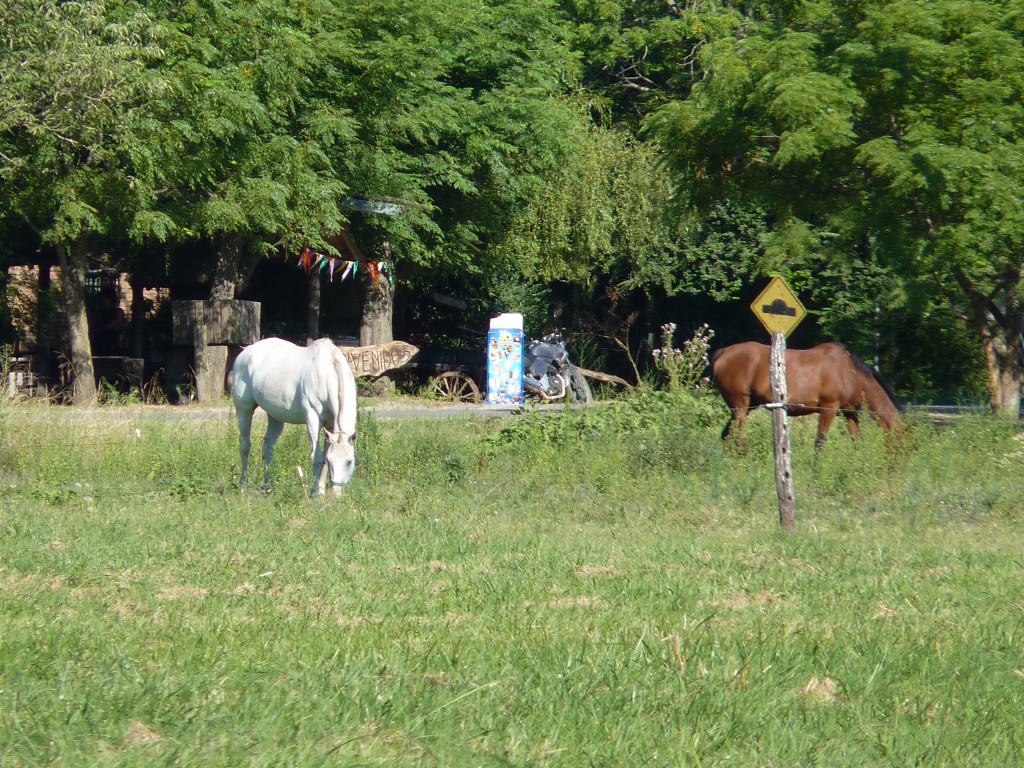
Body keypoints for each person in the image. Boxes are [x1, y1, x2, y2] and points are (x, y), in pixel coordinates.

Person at [89, 286, 125, 355]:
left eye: (103, 299)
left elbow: (112, 325)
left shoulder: (118, 312)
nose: (101, 302)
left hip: (111, 344)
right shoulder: (99, 313)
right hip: (97, 344)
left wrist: (98, 329)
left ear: (110, 299)